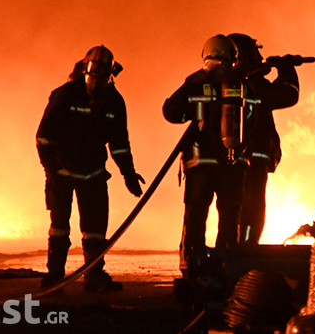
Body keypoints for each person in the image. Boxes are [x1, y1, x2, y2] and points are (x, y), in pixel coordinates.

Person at [36, 45, 145, 291]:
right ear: (85, 72)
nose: (96, 83)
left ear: (110, 77)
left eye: (102, 78)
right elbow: (43, 137)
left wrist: (128, 173)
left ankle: (94, 276)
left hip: (94, 172)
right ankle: (55, 277)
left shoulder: (114, 102)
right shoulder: (65, 95)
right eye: (93, 76)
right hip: (62, 172)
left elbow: (119, 144)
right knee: (59, 226)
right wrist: (51, 170)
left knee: (95, 229)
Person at [162, 35, 249, 277]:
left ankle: (194, 265)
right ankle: (227, 266)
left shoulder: (195, 83)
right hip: (233, 163)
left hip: (200, 163)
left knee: (196, 213)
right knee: (230, 215)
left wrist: (192, 113)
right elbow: (255, 117)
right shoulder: (241, 83)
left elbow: (170, 112)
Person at [227, 33, 300, 245]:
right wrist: (286, 68)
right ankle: (246, 249)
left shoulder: (227, 82)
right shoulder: (252, 85)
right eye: (255, 53)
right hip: (253, 157)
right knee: (252, 207)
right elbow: (288, 94)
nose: (260, 58)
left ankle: (234, 247)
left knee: (235, 207)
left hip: (231, 158)